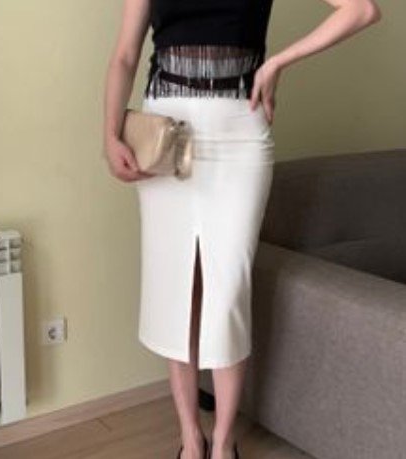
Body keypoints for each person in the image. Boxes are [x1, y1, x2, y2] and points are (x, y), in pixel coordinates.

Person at [103, 1, 382, 458]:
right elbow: (124, 55)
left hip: (239, 134)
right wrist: (110, 134)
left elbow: (361, 10)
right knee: (177, 293)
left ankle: (223, 440)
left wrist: (277, 62)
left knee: (229, 292)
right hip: (165, 133)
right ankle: (190, 438)